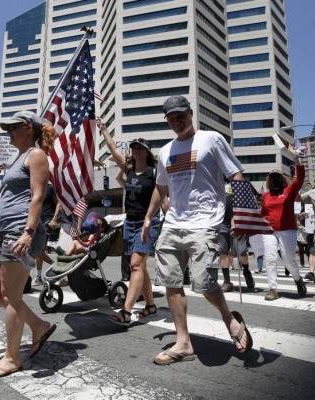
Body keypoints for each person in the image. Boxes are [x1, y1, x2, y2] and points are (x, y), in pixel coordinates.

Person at [142, 95, 253, 364]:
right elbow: (161, 188)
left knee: (204, 283)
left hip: (206, 222)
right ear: (167, 121)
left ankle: (230, 319)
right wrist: (149, 218)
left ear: (191, 113)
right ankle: (184, 343)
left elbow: (236, 174)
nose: (177, 121)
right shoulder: (166, 151)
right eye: (172, 117)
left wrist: (242, 213)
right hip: (174, 224)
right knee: (171, 282)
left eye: (182, 115)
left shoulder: (211, 139)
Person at [0, 110, 57, 380]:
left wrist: (29, 232)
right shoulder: (15, 159)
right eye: (7, 128)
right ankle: (39, 325)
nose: (8, 131)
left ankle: (12, 358)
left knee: (12, 296)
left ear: (29, 129)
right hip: (3, 232)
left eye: (14, 127)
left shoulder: (36, 155)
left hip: (21, 231)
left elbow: (38, 196)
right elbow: (3, 197)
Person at [97, 118, 163, 327]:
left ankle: (126, 312)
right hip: (131, 221)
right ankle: (151, 306)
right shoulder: (129, 170)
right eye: (133, 147)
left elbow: (163, 197)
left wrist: (165, 220)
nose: (135, 150)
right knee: (140, 267)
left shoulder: (154, 173)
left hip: (147, 222)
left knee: (135, 264)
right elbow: (112, 148)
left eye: (139, 147)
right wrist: (104, 129)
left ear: (147, 152)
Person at [260, 156, 307, 301]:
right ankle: (273, 289)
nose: (274, 179)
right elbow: (263, 212)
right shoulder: (266, 195)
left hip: (287, 230)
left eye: (277, 177)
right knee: (270, 258)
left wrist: (297, 161)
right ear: (268, 181)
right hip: (268, 231)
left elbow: (299, 179)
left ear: (282, 179)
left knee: (288, 260)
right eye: (272, 177)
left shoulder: (289, 191)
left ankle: (298, 279)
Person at [218, 182, 255, 292]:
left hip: (239, 220)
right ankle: (227, 281)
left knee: (241, 252)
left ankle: (246, 271)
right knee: (222, 252)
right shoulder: (216, 181)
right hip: (221, 221)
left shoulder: (241, 182)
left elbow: (250, 201)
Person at [33, 182, 60, 285]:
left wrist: (54, 219)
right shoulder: (34, 187)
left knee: (39, 250)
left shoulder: (50, 187)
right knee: (37, 250)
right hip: (35, 221)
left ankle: (39, 276)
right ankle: (55, 266)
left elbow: (58, 203)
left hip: (47, 221)